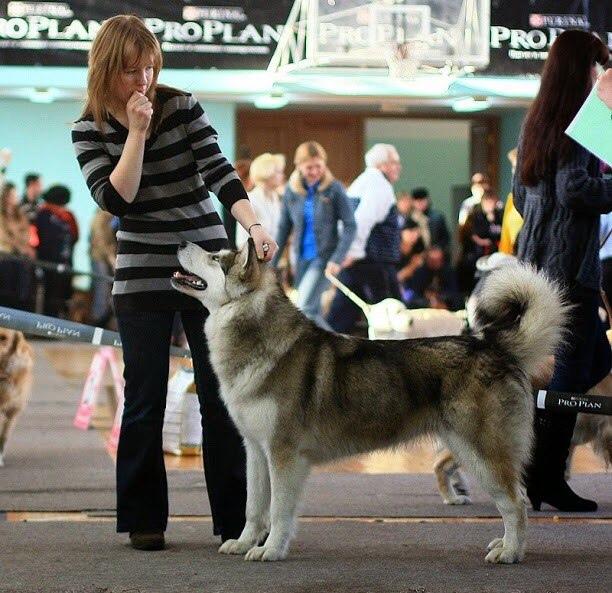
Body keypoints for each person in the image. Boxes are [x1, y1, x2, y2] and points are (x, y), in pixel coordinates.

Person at [71, 15, 277, 551]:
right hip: (140, 269)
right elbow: (119, 200)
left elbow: (219, 172)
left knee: (219, 394)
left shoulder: (182, 105)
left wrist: (252, 224)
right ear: (105, 70)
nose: (143, 81)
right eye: (131, 71)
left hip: (206, 264)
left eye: (150, 68)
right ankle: (144, 519)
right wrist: (136, 134)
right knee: (144, 395)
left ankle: (238, 519)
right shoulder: (87, 129)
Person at [513, 30, 611, 512]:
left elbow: (519, 194)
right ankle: (545, 479)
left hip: (536, 264)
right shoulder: (583, 120)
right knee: (572, 378)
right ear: (582, 69)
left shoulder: (536, 119)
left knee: (592, 365)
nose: (601, 75)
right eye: (597, 65)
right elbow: (577, 189)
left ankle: (534, 464)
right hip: (570, 270)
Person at [272, 141, 355, 328]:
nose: (315, 171)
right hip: (301, 259)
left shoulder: (334, 189)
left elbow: (350, 225)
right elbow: (283, 228)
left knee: (304, 309)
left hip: (325, 259)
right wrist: (272, 263)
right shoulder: (291, 191)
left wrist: (337, 258)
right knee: (312, 313)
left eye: (319, 166)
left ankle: (338, 352)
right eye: (310, 167)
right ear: (299, 166)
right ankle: (325, 354)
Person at [326, 144, 402, 334]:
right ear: (383, 165)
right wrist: (352, 252)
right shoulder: (380, 186)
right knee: (393, 316)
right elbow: (361, 221)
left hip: (362, 260)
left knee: (340, 316)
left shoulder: (362, 182)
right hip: (373, 261)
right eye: (395, 163)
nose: (399, 167)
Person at [35, 185, 79, 317]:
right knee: (49, 293)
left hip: (66, 260)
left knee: (63, 294)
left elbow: (75, 236)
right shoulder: (43, 214)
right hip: (48, 260)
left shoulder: (68, 216)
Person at [236, 152, 285, 247]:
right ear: (267, 172)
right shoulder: (250, 199)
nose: (282, 176)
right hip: (253, 257)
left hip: (272, 257)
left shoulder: (275, 199)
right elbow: (241, 240)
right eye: (279, 172)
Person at [0, 182, 34, 309]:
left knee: (21, 287)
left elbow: (26, 235)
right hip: (4, 256)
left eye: (16, 194)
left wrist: (20, 245)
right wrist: (18, 244)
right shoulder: (1, 215)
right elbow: (2, 236)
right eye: (12, 195)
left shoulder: (21, 215)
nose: (15, 197)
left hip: (19, 258)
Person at [89, 210, 117, 327]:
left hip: (105, 258)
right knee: (102, 289)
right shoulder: (101, 217)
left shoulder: (108, 218)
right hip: (99, 257)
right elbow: (100, 240)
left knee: (106, 290)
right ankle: (98, 321)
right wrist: (111, 258)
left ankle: (102, 320)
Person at [498, 148, 524, 255]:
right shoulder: (511, 198)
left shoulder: (535, 198)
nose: (513, 171)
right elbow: (505, 233)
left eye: (515, 167)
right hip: (512, 256)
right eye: (512, 167)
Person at [410, 187, 450, 253]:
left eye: (422, 200)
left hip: (435, 254)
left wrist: (438, 249)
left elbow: (445, 238)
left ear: (427, 200)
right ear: (413, 202)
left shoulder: (438, 217)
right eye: (417, 201)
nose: (420, 203)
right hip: (415, 255)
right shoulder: (409, 219)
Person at [469, 188, 503, 259]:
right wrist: (483, 242)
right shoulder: (477, 216)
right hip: (481, 253)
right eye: (487, 202)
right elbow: (473, 235)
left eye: (491, 202)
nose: (489, 205)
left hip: (498, 252)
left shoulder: (500, 215)